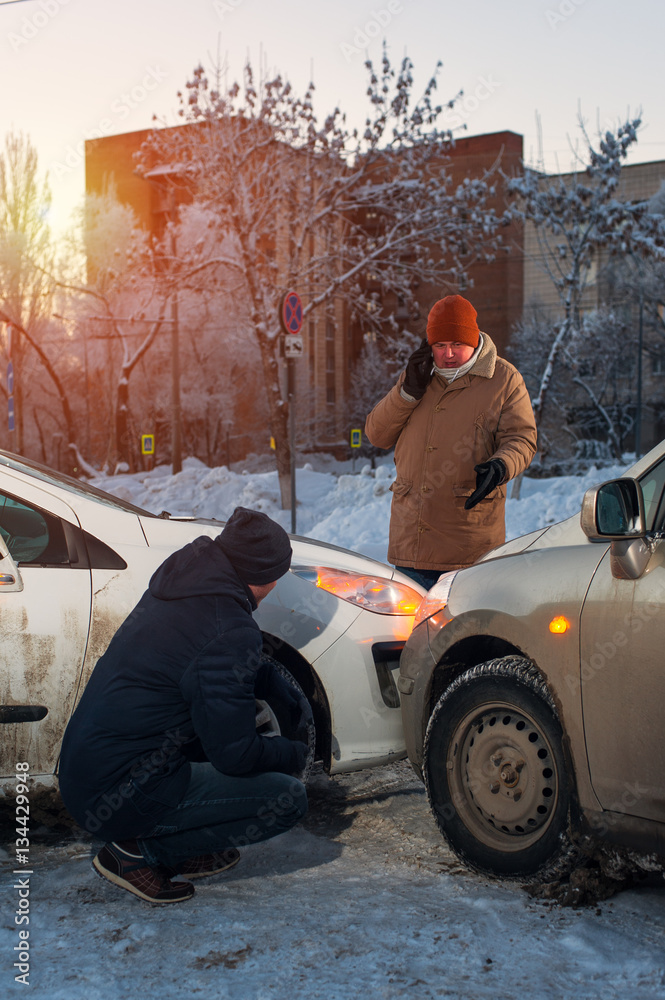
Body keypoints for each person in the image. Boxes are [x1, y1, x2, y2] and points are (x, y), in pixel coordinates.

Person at [58, 507, 310, 904]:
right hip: (118, 792)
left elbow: (196, 661)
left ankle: (179, 841)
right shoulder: (228, 626)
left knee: (203, 738)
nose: (278, 582)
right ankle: (137, 854)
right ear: (265, 576)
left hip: (86, 771)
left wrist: (265, 677)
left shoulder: (184, 586)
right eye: (278, 573)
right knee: (287, 799)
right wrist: (291, 754)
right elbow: (235, 756)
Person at [365, 294, 537, 590]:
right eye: (440, 345)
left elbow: (522, 438)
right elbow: (377, 435)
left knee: (465, 619)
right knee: (410, 620)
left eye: (457, 344)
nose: (448, 354)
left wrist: (501, 465)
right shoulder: (417, 376)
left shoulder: (504, 379)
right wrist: (407, 393)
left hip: (469, 544)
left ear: (474, 340)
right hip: (413, 542)